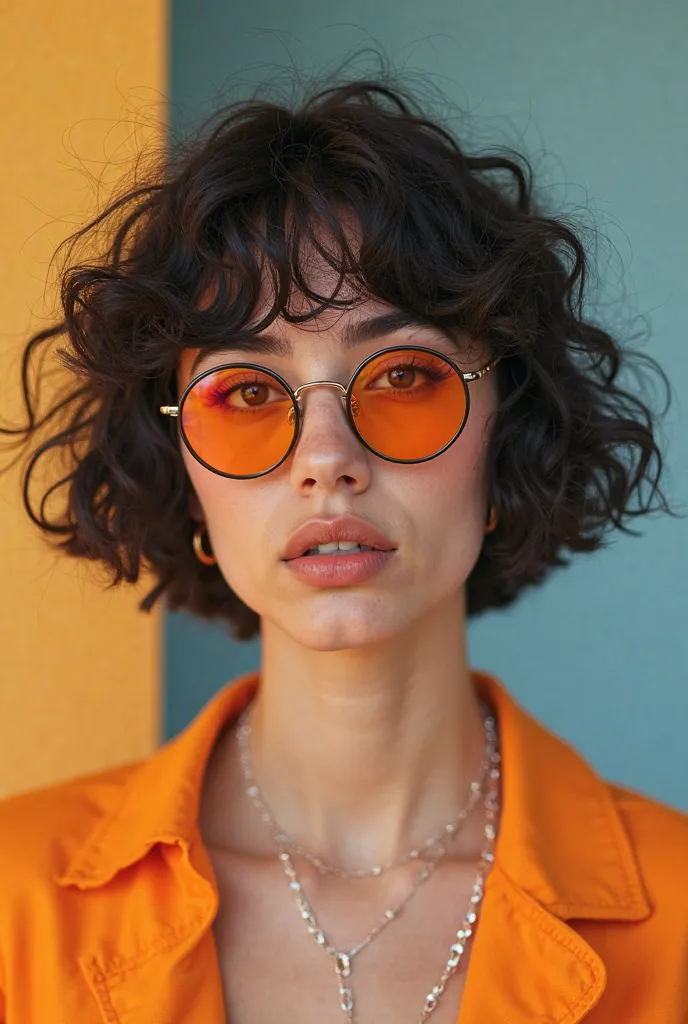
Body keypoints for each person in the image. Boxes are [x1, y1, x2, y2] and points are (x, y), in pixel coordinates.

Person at [0, 74, 686, 1024]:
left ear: (508, 435)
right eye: (244, 392)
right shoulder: (13, 904)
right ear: (183, 472)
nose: (327, 460)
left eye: (404, 374)